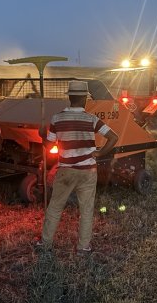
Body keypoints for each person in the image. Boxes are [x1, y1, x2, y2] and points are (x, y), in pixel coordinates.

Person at [37, 80, 119, 255]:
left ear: (70, 98)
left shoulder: (57, 118)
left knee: (55, 207)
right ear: (84, 99)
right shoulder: (91, 119)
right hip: (88, 171)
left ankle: (45, 244)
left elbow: (48, 144)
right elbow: (113, 137)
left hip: (66, 170)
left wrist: (41, 134)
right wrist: (100, 153)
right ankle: (83, 247)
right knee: (86, 210)